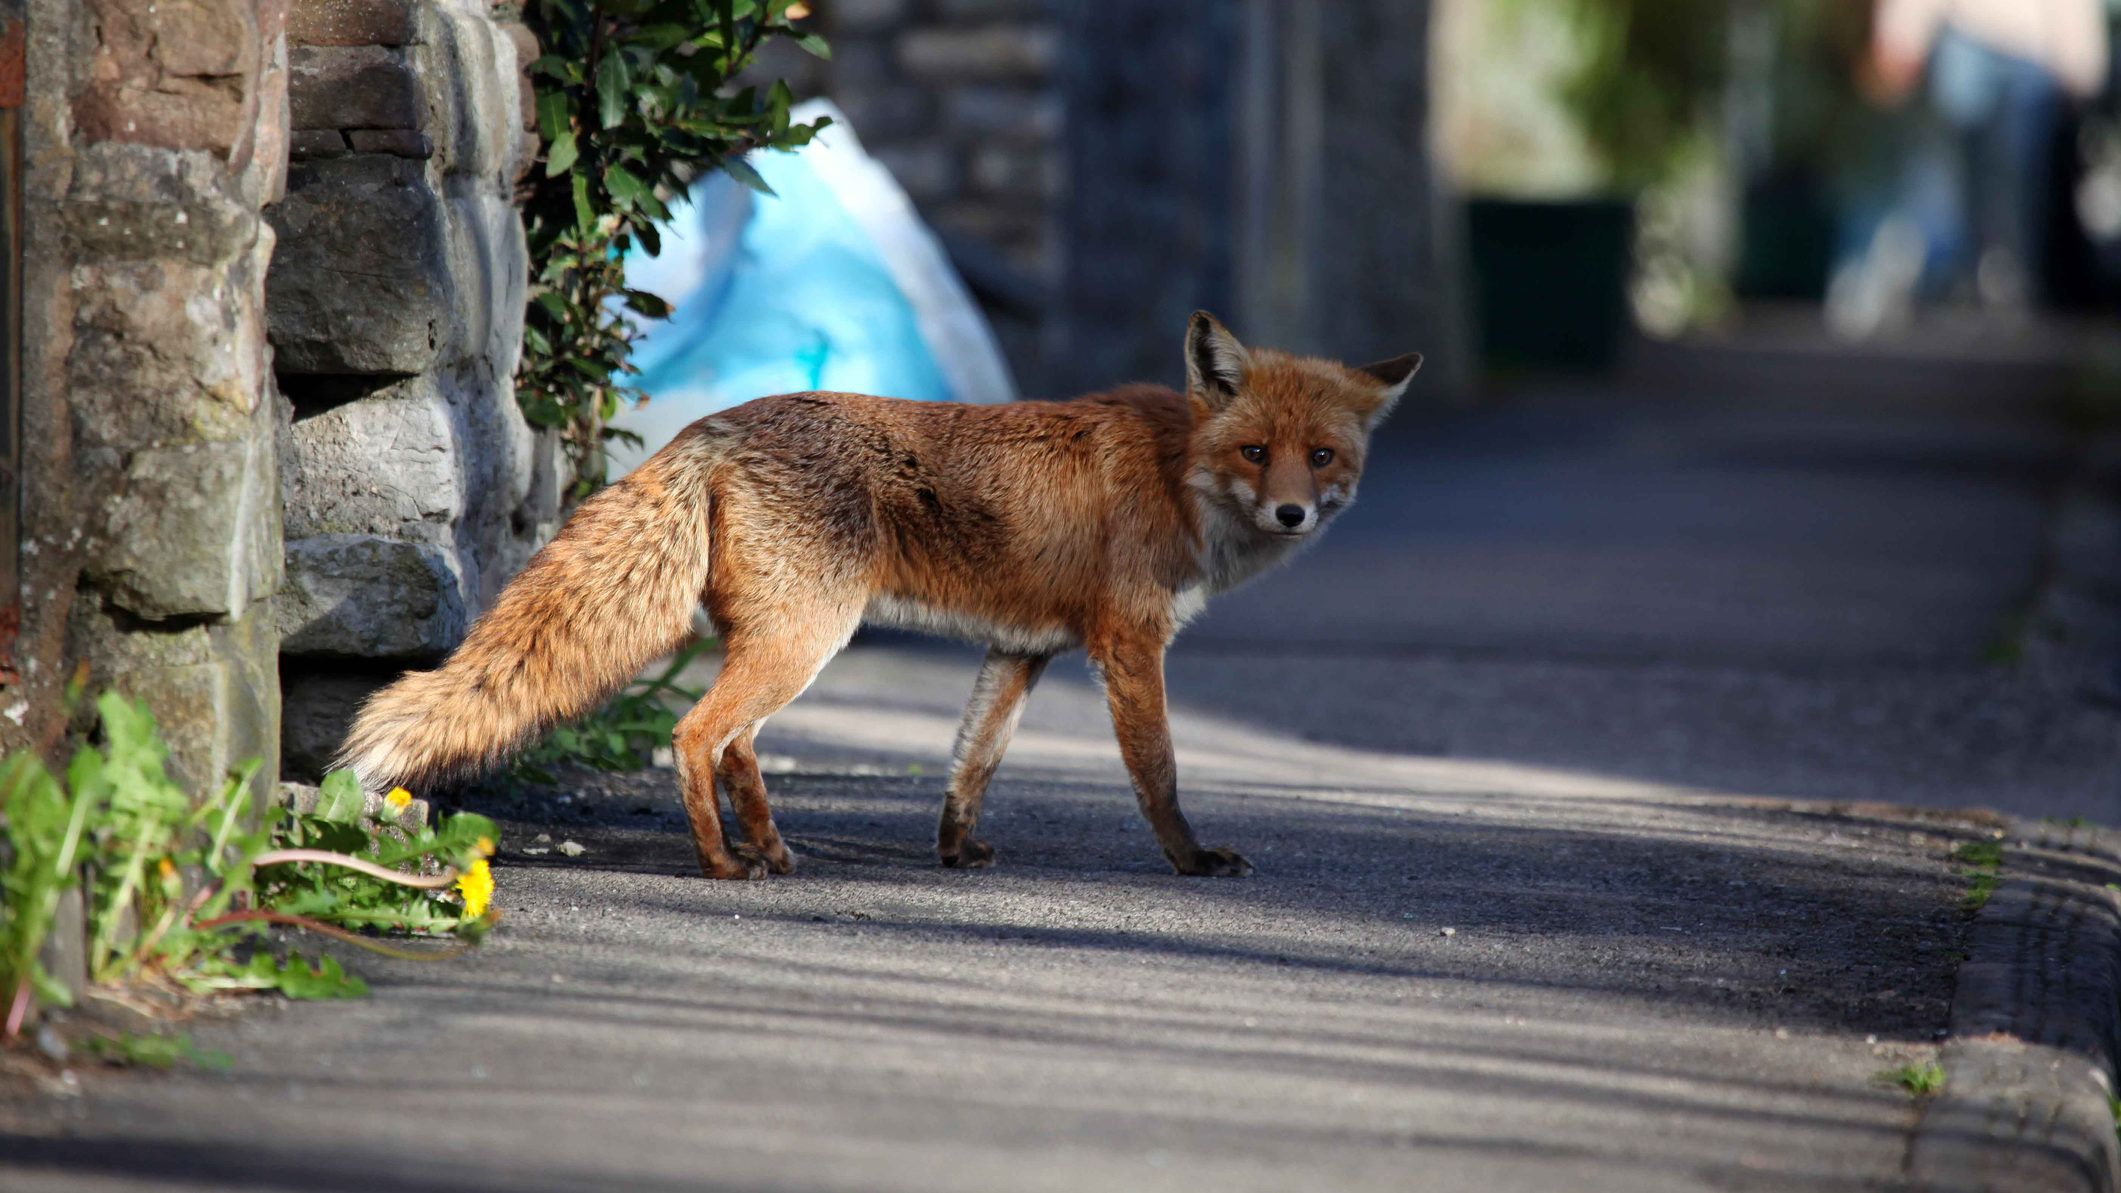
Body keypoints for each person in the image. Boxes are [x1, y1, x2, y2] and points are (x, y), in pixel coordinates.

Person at [1830, 0, 2110, 334]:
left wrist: (2083, 56)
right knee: (1955, 173)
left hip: (2034, 51)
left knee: (2019, 181)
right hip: (1965, 37)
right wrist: (1902, 33)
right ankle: (1962, 275)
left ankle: (2005, 277)